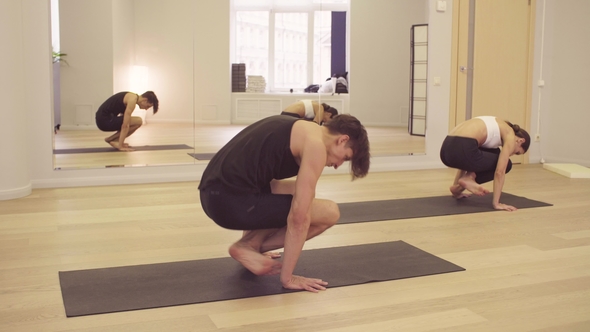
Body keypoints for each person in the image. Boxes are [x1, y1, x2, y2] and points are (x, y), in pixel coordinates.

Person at [199, 114, 370, 292]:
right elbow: (299, 219)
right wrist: (288, 278)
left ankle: (250, 246)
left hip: (212, 194)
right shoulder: (316, 145)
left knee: (301, 193)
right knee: (329, 212)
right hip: (228, 204)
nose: (338, 165)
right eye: (346, 157)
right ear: (342, 140)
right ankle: (247, 247)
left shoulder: (301, 127)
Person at [439, 116, 531, 211]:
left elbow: (465, 160)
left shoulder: (496, 126)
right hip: (463, 148)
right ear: (520, 141)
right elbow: (500, 171)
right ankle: (468, 178)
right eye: (517, 152)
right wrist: (496, 203)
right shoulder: (510, 134)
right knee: (506, 164)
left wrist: (456, 190)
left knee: (494, 153)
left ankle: (458, 188)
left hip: (446, 152)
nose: (512, 154)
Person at [95, 91, 159, 151]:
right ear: (145, 100)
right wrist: (121, 146)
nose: (146, 109)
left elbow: (123, 121)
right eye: (147, 106)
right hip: (104, 120)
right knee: (138, 121)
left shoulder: (130, 97)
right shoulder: (132, 100)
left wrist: (121, 142)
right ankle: (114, 141)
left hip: (104, 120)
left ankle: (114, 140)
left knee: (133, 122)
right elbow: (125, 125)